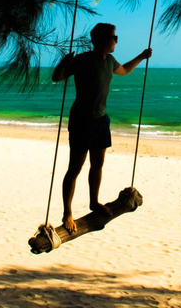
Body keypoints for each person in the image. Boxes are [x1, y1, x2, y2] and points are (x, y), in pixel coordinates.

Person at [52, 23, 152, 234]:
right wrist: (63, 62)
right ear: (104, 40)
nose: (116, 41)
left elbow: (124, 71)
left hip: (100, 120)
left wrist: (142, 57)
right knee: (75, 169)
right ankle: (67, 213)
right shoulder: (83, 60)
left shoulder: (110, 61)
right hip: (81, 120)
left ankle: (94, 202)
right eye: (114, 38)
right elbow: (57, 77)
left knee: (97, 165)